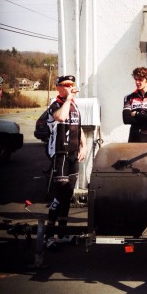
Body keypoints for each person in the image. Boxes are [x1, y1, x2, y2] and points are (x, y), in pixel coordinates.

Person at [44, 75, 86, 251]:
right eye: (66, 85)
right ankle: (48, 235)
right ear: (59, 88)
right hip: (60, 154)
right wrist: (68, 99)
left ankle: (62, 233)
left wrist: (84, 146)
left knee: (68, 195)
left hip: (73, 155)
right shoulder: (55, 104)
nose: (70, 88)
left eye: (72, 85)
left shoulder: (75, 105)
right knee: (59, 193)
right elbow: (61, 118)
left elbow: (79, 127)